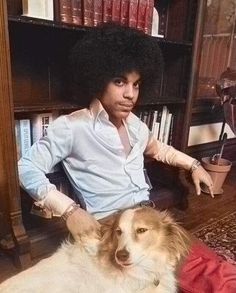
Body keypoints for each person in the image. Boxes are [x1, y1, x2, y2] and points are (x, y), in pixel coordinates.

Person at [18, 24, 236, 292]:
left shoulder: (135, 125)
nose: (130, 94)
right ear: (97, 78)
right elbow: (25, 166)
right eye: (120, 82)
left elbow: (160, 149)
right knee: (216, 276)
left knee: (215, 269)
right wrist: (69, 210)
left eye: (136, 84)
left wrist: (193, 165)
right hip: (113, 226)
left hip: (149, 218)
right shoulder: (71, 127)